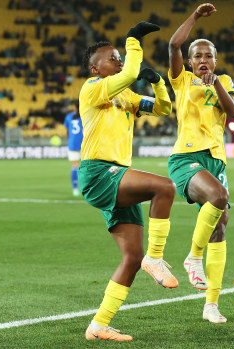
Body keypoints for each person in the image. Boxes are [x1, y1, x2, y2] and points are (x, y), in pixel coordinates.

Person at [78, 22, 178, 342]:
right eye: (112, 58)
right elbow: (131, 71)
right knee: (164, 186)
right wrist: (134, 41)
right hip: (99, 172)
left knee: (131, 259)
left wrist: (159, 82)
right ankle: (157, 257)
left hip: (116, 177)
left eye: (120, 56)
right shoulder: (93, 87)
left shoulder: (126, 96)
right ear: (96, 67)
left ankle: (99, 325)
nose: (118, 61)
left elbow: (163, 109)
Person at [168, 3, 234, 324]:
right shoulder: (180, 80)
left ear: (215, 60)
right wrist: (195, 17)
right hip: (185, 159)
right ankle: (192, 258)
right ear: (190, 60)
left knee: (220, 226)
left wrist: (217, 83)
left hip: (216, 162)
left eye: (207, 55)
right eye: (197, 55)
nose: (202, 60)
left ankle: (211, 304)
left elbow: (233, 111)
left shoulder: (223, 81)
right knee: (219, 199)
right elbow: (173, 44)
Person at [64, 100, 83, 196]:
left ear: (74, 106)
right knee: (87, 167)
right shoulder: (85, 114)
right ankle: (87, 189)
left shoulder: (68, 116)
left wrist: (70, 141)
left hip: (73, 144)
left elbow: (67, 131)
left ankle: (75, 189)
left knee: (75, 166)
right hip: (85, 144)